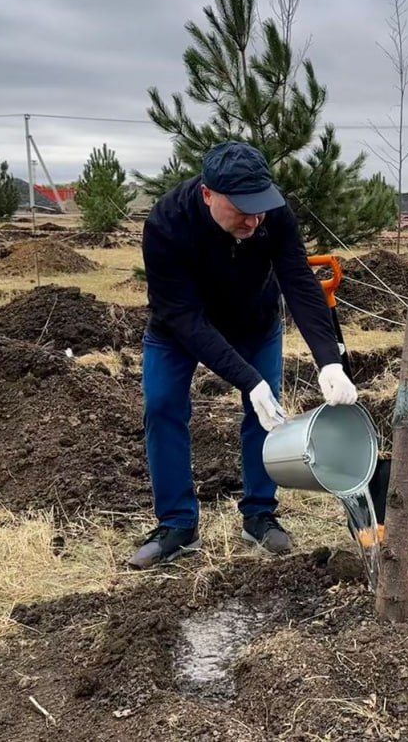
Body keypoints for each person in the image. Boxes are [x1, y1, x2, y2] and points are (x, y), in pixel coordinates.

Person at [128, 141, 359, 569]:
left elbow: (297, 279)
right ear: (208, 195)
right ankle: (177, 525)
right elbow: (184, 317)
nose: (254, 219)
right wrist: (246, 379)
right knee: (163, 408)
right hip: (179, 328)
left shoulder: (274, 215)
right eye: (242, 209)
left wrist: (329, 360)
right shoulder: (166, 223)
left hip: (255, 321)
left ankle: (260, 515)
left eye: (261, 207)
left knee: (264, 413)